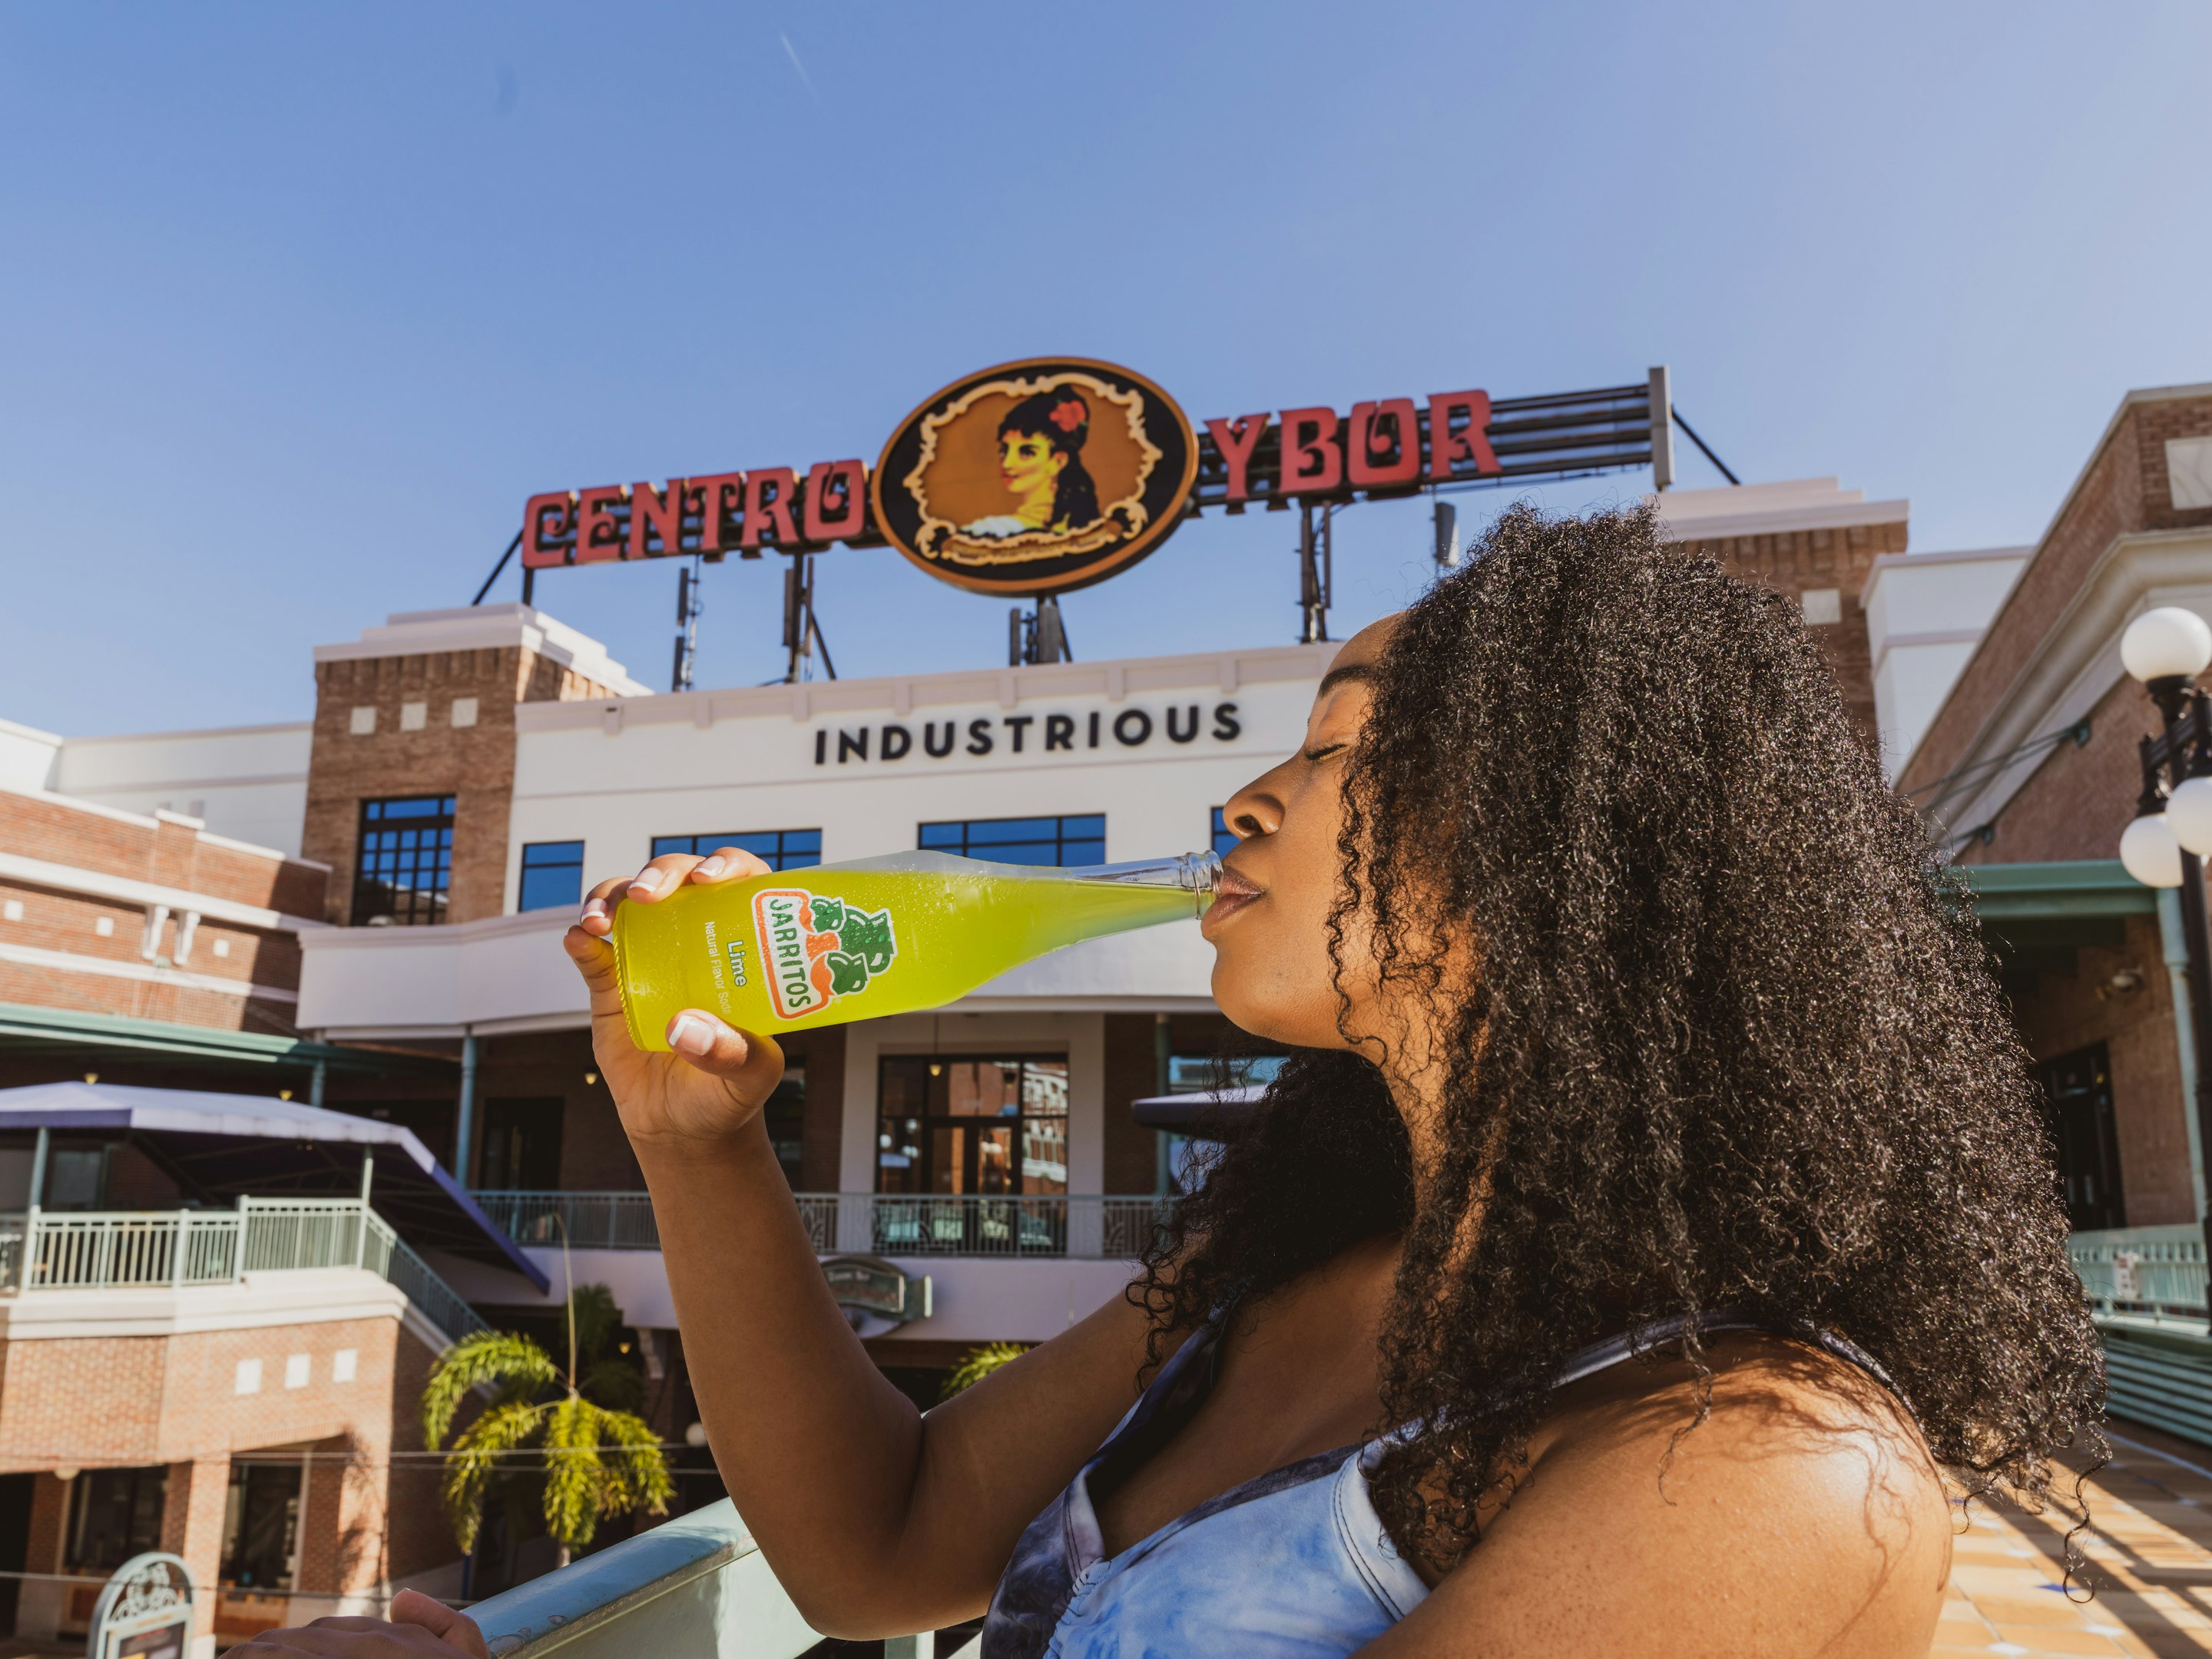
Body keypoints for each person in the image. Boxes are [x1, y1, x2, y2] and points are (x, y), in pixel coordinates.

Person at [240, 505, 2102, 1657]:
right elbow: (878, 1550)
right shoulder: (1269, 1267)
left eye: (1344, 745)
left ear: (1566, 854)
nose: (1247, 800)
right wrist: (699, 1142)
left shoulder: (1767, 1472)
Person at [959, 386, 1102, 538]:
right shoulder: (991, 529)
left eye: (1027, 453)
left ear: (1058, 461)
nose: (1006, 464)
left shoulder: (992, 531)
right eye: (1004, 451)